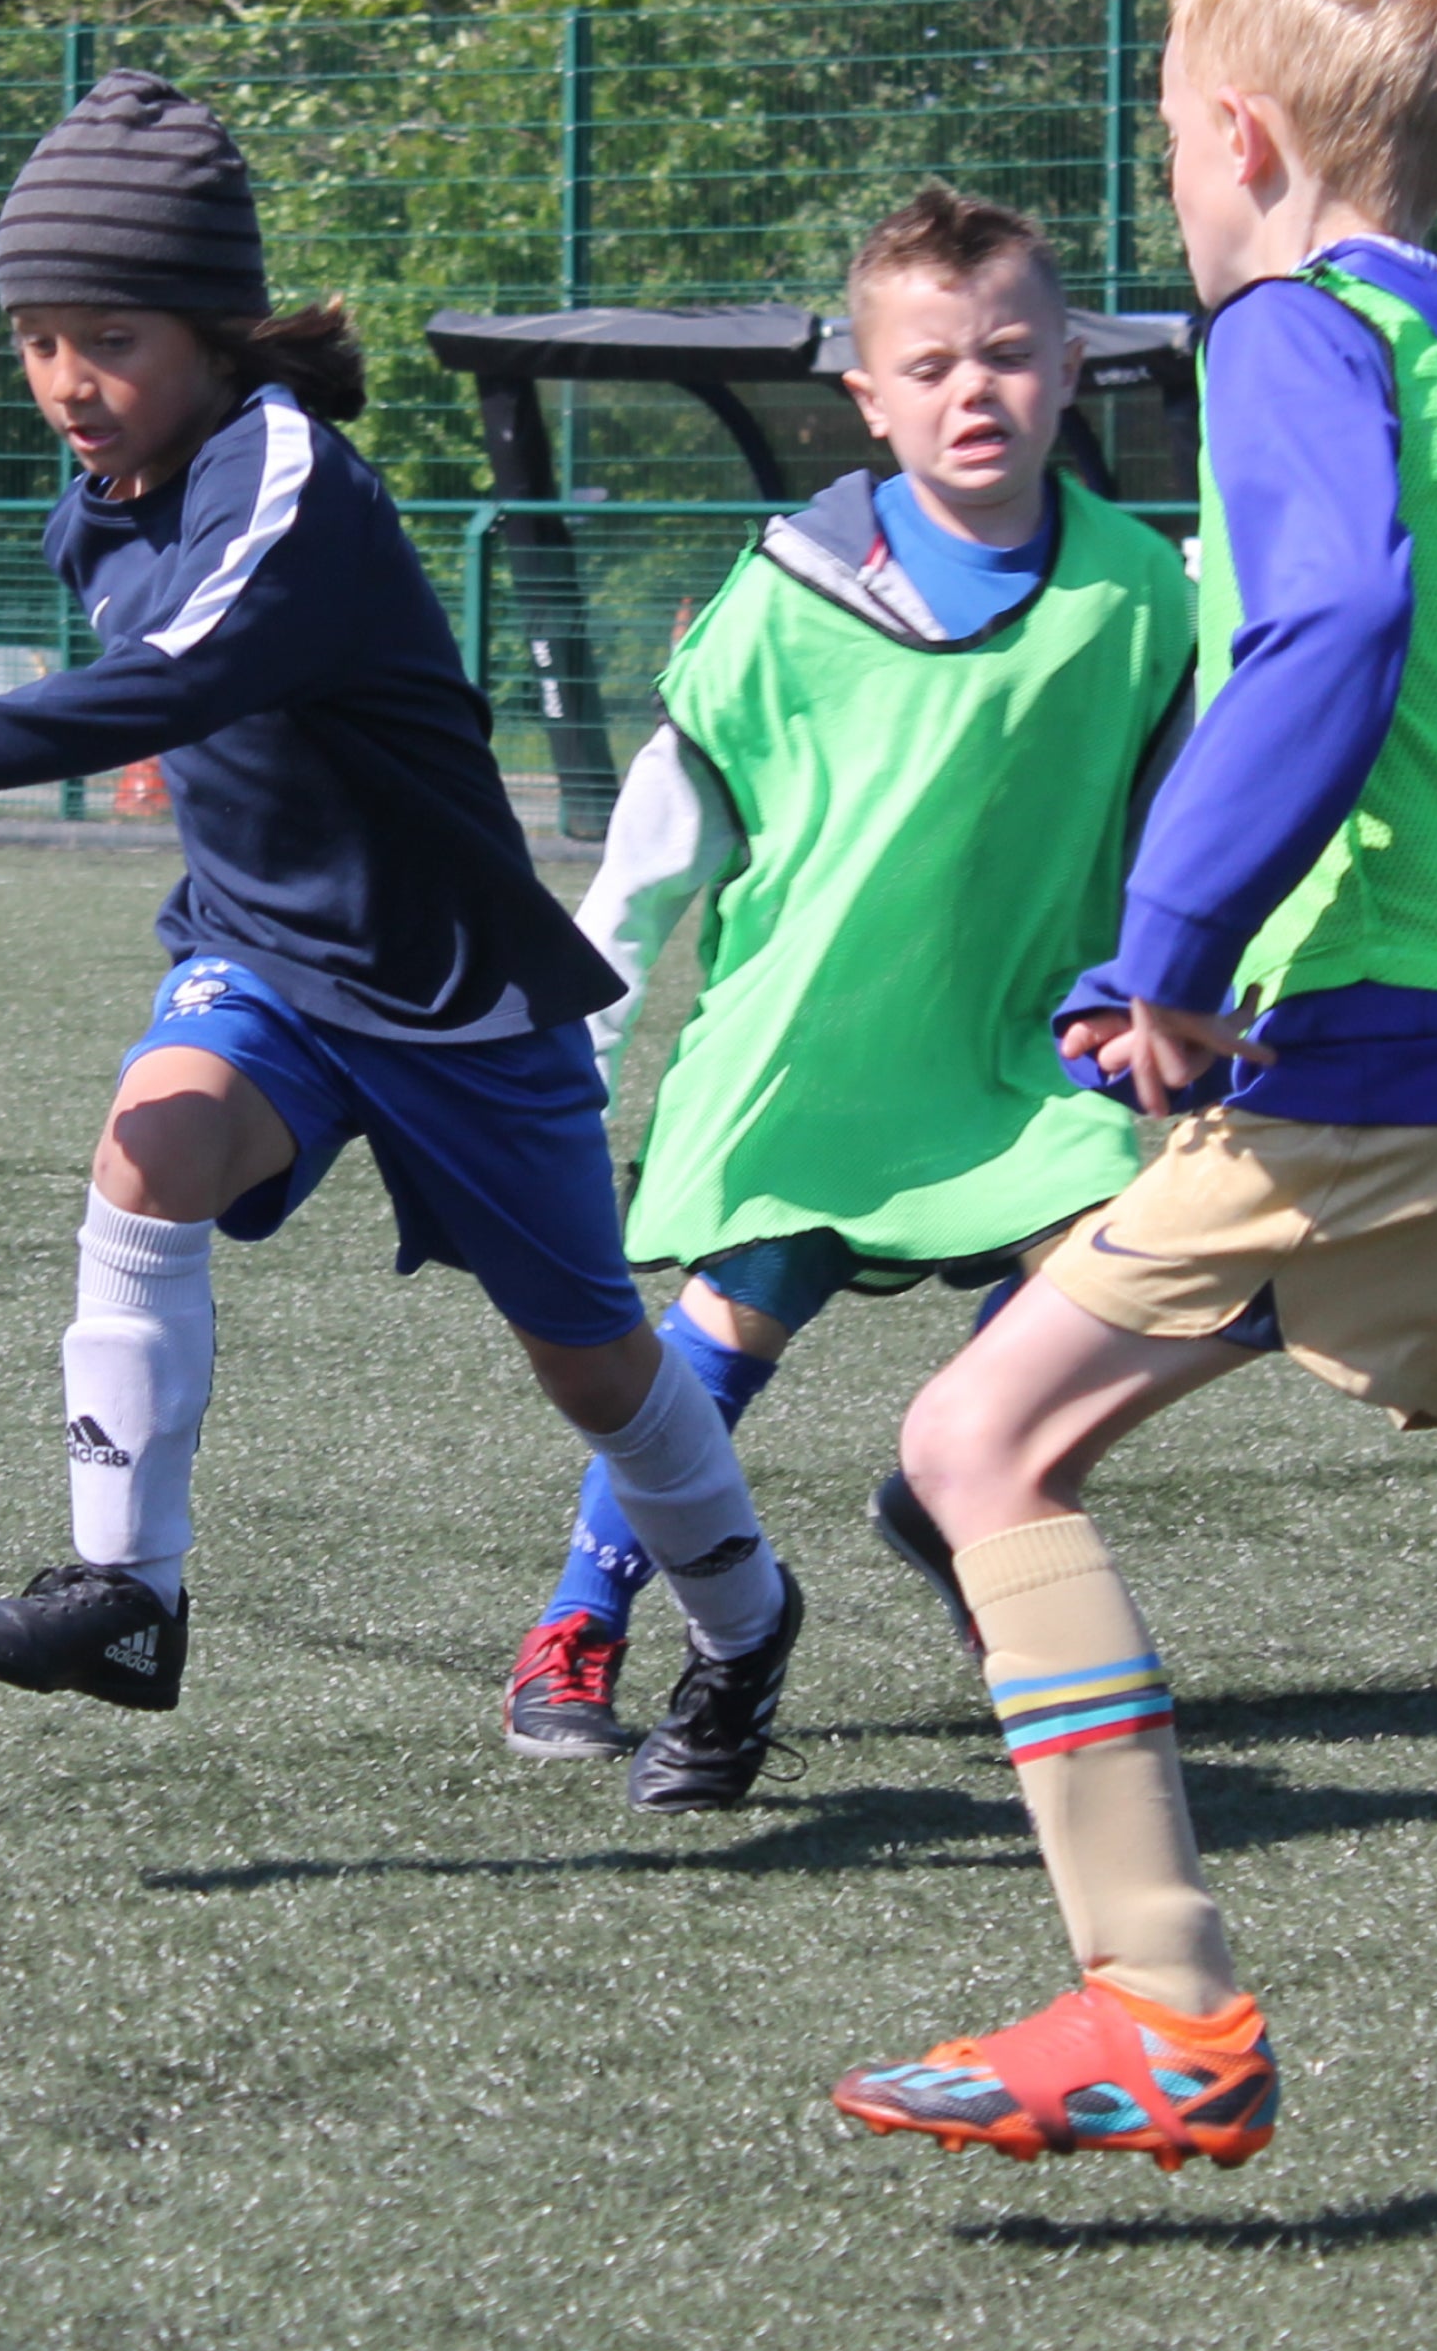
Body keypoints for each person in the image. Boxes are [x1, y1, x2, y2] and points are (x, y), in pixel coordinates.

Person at [0, 69, 802, 1812]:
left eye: (109, 338)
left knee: (595, 1367)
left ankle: (747, 1622)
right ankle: (128, 1593)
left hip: (454, 994)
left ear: (213, 331)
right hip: (265, 957)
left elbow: (157, 693)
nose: (66, 381)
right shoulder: (105, 495)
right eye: (36, 339)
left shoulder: (288, 481)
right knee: (152, 1141)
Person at [835, 0, 1437, 2172]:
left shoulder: (1293, 331)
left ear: (1238, 139)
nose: (1170, 172)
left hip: (1407, 1056)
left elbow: (1329, 626)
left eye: (1164, 130)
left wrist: (1169, 948)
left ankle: (1159, 2003)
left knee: (980, 1446)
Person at [501, 189, 1194, 1759]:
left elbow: (1190, 830)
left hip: (1020, 1061)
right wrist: (573, 1057)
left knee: (1128, 1273)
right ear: (868, 399)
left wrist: (1180, 989)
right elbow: (652, 856)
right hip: (807, 1062)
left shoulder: (1144, 597)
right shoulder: (786, 598)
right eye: (931, 366)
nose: (974, 391)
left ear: (1068, 369)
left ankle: (958, 1491)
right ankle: (579, 1622)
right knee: (715, 1346)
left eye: (1008, 355)